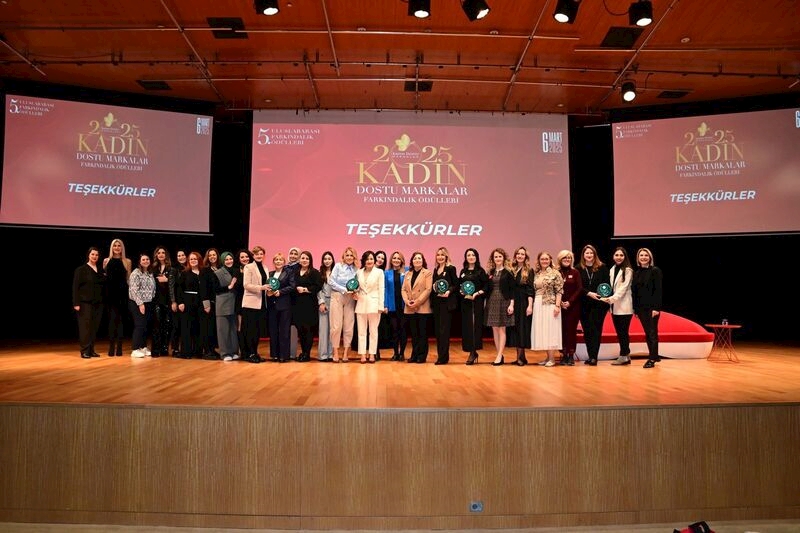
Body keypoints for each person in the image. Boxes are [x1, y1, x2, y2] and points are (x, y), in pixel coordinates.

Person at [600, 246, 634, 366]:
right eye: (616, 255)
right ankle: (626, 355)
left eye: (621, 255)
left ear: (625, 257)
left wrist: (610, 299)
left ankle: (624, 355)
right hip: (614, 307)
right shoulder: (612, 269)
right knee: (620, 332)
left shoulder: (628, 270)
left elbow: (622, 289)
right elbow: (610, 287)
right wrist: (605, 295)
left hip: (624, 307)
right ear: (613, 256)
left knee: (623, 332)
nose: (619, 257)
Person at [530, 251, 564, 367]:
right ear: (539, 261)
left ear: (550, 260)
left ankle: (552, 358)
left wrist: (557, 306)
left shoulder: (555, 273)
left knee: (550, 330)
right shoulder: (537, 274)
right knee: (543, 330)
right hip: (538, 303)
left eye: (546, 259)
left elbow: (559, 290)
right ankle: (547, 357)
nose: (544, 261)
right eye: (542, 259)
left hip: (550, 304)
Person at [578, 244, 609, 366]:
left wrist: (602, 296)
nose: (589, 255)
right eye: (587, 253)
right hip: (583, 305)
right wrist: (589, 293)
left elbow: (607, 285)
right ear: (583, 255)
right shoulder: (578, 268)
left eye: (591, 253)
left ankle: (594, 357)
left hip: (599, 305)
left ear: (595, 255)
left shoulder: (602, 268)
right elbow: (577, 287)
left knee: (596, 331)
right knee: (587, 331)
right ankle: (590, 356)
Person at [632, 247, 663, 368]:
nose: (643, 257)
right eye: (641, 255)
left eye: (646, 255)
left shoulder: (655, 271)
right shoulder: (637, 272)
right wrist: (635, 309)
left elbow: (658, 291)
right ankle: (654, 355)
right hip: (641, 309)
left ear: (650, 258)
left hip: (652, 308)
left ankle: (652, 359)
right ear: (638, 258)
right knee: (648, 333)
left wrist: (656, 308)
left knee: (652, 333)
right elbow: (635, 292)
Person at [484, 248, 516, 366]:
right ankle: (499, 354)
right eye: (496, 257)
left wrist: (511, 304)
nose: (498, 258)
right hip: (492, 301)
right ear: (493, 259)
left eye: (500, 256)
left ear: (503, 258)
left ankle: (499, 355)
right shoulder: (490, 272)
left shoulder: (508, 273)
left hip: (504, 301)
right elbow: (487, 288)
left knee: (502, 329)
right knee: (494, 329)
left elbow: (512, 290)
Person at [72, 246, 105, 359]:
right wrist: (76, 303)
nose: (95, 256)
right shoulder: (81, 270)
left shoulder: (100, 270)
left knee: (94, 328)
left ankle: (91, 350)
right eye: (93, 254)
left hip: (98, 303)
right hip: (84, 303)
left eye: (96, 255)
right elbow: (75, 287)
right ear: (88, 255)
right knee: (85, 327)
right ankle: (84, 350)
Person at [328, 247, 358, 362]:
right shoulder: (338, 266)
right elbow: (331, 281)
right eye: (347, 255)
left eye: (351, 255)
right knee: (336, 326)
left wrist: (355, 291)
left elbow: (358, 284)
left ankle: (345, 353)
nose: (349, 257)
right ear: (343, 256)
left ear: (354, 257)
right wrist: (344, 289)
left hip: (350, 298)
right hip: (337, 296)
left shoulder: (356, 269)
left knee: (349, 326)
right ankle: (335, 352)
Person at [354, 250, 385, 363]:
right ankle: (362, 354)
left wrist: (380, 306)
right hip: (361, 304)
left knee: (373, 331)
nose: (369, 261)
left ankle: (372, 354)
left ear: (374, 260)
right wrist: (354, 293)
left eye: (371, 259)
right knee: (361, 331)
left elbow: (381, 289)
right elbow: (356, 287)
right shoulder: (359, 272)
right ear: (364, 261)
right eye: (367, 259)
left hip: (374, 305)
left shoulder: (379, 272)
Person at [459, 248, 489, 365]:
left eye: (473, 255)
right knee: (467, 327)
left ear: (476, 257)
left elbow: (486, 287)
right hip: (466, 302)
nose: (471, 257)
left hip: (476, 302)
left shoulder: (480, 271)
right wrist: (461, 291)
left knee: (475, 327)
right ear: (466, 258)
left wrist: (477, 294)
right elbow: (460, 285)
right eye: (468, 255)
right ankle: (470, 351)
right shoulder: (463, 271)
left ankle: (473, 351)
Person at [402, 251, 433, 364]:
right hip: (410, 307)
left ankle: (422, 356)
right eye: (415, 258)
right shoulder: (408, 274)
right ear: (412, 261)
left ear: (423, 260)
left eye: (419, 258)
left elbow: (428, 289)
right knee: (414, 334)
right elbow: (403, 289)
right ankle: (414, 355)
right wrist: (407, 301)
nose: (417, 260)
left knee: (422, 333)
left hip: (422, 307)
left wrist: (417, 302)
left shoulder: (427, 273)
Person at [103, 238, 131, 357]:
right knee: (111, 321)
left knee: (120, 322)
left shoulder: (127, 261)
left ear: (122, 248)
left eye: (119, 245)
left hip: (122, 294)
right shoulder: (106, 261)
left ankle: (119, 347)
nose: (117, 248)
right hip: (110, 295)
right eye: (115, 245)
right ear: (112, 247)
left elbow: (128, 279)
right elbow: (105, 277)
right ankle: (111, 347)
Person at [241, 246, 269, 363]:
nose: (259, 256)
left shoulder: (265, 267)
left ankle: (255, 353)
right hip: (250, 303)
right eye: (257, 254)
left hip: (262, 303)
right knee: (250, 330)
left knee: (257, 331)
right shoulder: (248, 267)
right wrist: (261, 288)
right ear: (253, 256)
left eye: (261, 254)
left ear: (264, 255)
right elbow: (246, 285)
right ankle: (250, 354)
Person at [431, 247, 459, 365]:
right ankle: (441, 356)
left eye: (442, 255)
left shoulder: (451, 268)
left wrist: (449, 291)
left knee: (444, 332)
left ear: (446, 256)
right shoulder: (436, 269)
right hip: (437, 304)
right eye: (438, 255)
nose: (440, 257)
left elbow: (456, 284)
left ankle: (443, 357)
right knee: (438, 332)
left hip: (446, 305)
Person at [292, 251, 322, 362]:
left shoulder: (314, 272)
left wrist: (305, 289)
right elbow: (292, 285)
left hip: (309, 305)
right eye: (303, 258)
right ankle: (303, 352)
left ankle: (306, 353)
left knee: (308, 330)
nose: (304, 260)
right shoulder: (295, 272)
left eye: (307, 258)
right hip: (297, 305)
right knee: (300, 330)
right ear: (299, 260)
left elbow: (318, 286)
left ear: (310, 261)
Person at [507, 246, 534, 366]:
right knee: (515, 329)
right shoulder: (512, 270)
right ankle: (520, 357)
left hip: (523, 302)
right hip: (513, 301)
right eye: (518, 254)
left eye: (522, 254)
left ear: (526, 257)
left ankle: (521, 357)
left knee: (523, 329)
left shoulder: (529, 270)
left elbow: (530, 290)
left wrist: (530, 306)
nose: (520, 256)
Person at [267, 252, 296, 362]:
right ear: (273, 262)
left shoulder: (289, 273)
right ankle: (274, 355)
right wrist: (268, 293)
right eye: (276, 260)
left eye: (280, 260)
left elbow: (292, 286)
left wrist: (281, 292)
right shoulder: (270, 274)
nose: (278, 261)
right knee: (273, 330)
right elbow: (266, 287)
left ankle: (284, 355)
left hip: (284, 305)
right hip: (272, 306)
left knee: (284, 331)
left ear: (284, 262)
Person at [176, 251, 205, 359]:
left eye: (195, 259)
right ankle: (186, 352)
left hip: (200, 302)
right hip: (187, 302)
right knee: (187, 328)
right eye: (191, 259)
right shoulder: (184, 273)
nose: (193, 261)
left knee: (198, 327)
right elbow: (179, 289)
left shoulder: (203, 273)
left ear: (199, 260)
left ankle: (198, 352)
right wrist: (180, 302)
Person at [557, 250, 583, 366]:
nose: (567, 260)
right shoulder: (556, 272)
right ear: (560, 259)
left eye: (569, 258)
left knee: (571, 331)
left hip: (573, 307)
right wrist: (559, 302)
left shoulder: (575, 272)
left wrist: (569, 302)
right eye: (564, 258)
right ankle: (563, 355)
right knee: (561, 331)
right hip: (559, 306)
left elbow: (579, 289)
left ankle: (571, 355)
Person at [128, 253, 156, 358]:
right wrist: (140, 303)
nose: (145, 261)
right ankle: (135, 349)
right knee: (139, 325)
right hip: (137, 303)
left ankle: (143, 347)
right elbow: (134, 289)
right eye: (143, 259)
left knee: (145, 325)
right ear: (139, 262)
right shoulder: (136, 273)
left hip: (148, 302)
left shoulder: (149, 273)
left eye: (147, 259)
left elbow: (153, 288)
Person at [213, 252, 240, 361]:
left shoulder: (236, 271)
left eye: (230, 259)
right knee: (223, 330)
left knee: (233, 330)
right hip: (223, 304)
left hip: (234, 304)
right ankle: (225, 353)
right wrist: (229, 286)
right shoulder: (218, 272)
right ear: (223, 261)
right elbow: (215, 289)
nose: (229, 261)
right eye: (226, 259)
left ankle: (234, 352)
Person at [150, 246, 175, 357]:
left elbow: (176, 284)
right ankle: (156, 349)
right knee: (157, 325)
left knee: (167, 325)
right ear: (156, 255)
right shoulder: (152, 268)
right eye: (158, 252)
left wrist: (167, 279)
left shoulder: (171, 269)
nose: (161, 254)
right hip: (156, 300)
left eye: (163, 252)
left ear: (166, 255)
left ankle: (164, 348)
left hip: (168, 300)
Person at [384, 251, 408, 361]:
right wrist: (385, 305)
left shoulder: (407, 271)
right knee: (394, 331)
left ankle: (402, 353)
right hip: (392, 306)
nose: (396, 260)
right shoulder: (387, 273)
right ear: (391, 260)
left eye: (398, 258)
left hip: (404, 306)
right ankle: (395, 353)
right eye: (394, 258)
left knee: (403, 331)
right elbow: (385, 290)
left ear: (402, 260)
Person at [200, 248, 221, 360]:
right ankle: (207, 351)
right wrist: (206, 305)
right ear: (207, 257)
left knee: (214, 328)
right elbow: (203, 288)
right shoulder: (205, 270)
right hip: (209, 304)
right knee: (207, 328)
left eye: (214, 255)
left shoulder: (220, 269)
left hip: (219, 303)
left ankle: (213, 349)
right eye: (210, 255)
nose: (212, 257)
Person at [234, 249, 253, 359]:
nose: (245, 259)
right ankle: (244, 352)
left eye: (246, 256)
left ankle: (251, 352)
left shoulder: (254, 269)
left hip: (252, 301)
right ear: (239, 259)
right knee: (241, 327)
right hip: (240, 302)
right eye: (242, 257)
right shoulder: (236, 271)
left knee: (250, 327)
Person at [316, 251, 335, 362]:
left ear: (332, 260)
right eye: (325, 259)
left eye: (329, 258)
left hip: (335, 302)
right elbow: (318, 289)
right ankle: (323, 355)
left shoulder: (336, 272)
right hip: (323, 302)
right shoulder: (319, 274)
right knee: (323, 330)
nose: (327, 261)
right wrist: (321, 302)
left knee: (333, 329)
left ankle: (331, 354)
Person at [169, 249, 187, 357]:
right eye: (179, 255)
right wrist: (173, 301)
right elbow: (171, 286)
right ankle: (175, 348)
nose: (181, 257)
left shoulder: (189, 267)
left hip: (187, 301)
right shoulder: (173, 269)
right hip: (177, 300)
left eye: (183, 255)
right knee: (176, 326)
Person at [287, 246, 301, 360]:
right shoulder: (285, 267)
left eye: (296, 254)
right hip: (285, 300)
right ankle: (285, 352)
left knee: (294, 327)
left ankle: (292, 353)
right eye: (291, 253)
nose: (293, 256)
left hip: (296, 301)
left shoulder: (300, 268)